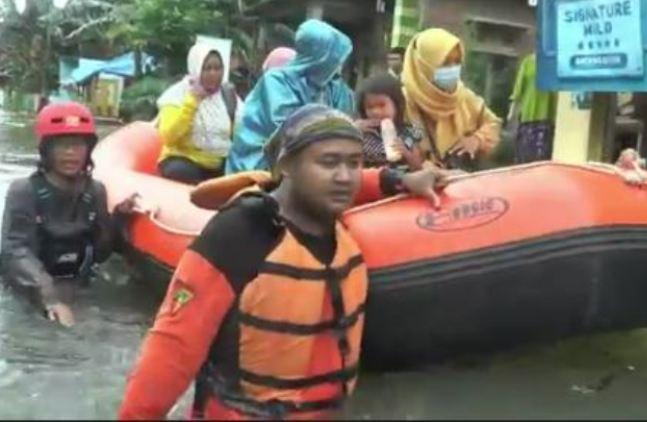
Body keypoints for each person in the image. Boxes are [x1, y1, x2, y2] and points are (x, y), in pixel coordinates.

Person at [118, 104, 456, 420]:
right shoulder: (241, 231)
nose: (344, 176)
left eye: (354, 163)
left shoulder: (338, 222)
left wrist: (399, 180)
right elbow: (173, 347)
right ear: (287, 166)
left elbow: (354, 180)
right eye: (328, 162)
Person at [1, 102, 135, 327]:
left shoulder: (95, 192)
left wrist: (120, 218)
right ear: (46, 150)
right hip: (29, 292)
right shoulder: (23, 191)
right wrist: (50, 298)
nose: (71, 152)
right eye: (62, 145)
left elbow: (101, 253)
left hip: (78, 286)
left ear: (89, 149)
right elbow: (15, 251)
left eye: (78, 145)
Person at [226, 20, 356, 174]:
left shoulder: (333, 86)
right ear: (319, 56)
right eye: (334, 57)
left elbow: (345, 122)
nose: (338, 64)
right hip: (263, 164)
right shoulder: (278, 81)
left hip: (317, 163)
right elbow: (288, 130)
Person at [401, 28, 502, 170]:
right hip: (418, 185)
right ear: (424, 64)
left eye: (457, 62)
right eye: (445, 63)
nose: (453, 69)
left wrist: (477, 139)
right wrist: (423, 166)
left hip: (459, 186)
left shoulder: (465, 98)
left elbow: (493, 123)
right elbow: (396, 144)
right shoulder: (402, 101)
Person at [156, 43, 245, 184]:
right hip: (186, 161)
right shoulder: (178, 94)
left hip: (219, 163)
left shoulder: (228, 96)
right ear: (196, 69)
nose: (213, 74)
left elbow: (240, 132)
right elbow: (169, 136)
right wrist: (193, 101)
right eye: (207, 68)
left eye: (218, 68)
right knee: (180, 172)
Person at [355, 73, 424, 170]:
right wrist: (352, 131)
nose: (376, 112)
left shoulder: (410, 132)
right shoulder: (362, 134)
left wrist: (405, 153)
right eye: (370, 107)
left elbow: (418, 167)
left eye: (382, 105)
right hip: (372, 181)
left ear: (396, 104)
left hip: (404, 180)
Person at [508, 53, 558, 164]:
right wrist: (512, 111)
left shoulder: (554, 62)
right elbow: (518, 88)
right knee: (524, 155)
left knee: (541, 157)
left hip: (547, 117)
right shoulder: (527, 62)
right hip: (528, 116)